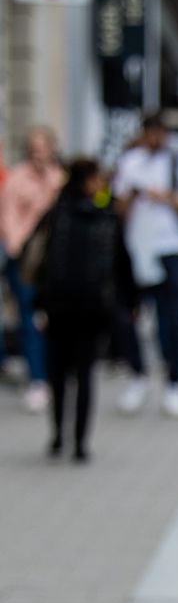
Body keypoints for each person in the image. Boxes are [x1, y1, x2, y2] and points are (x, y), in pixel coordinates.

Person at [112, 113, 178, 417]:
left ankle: (174, 383)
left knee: (172, 320)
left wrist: (166, 197)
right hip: (137, 249)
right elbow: (117, 205)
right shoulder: (131, 162)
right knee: (128, 317)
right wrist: (132, 196)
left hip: (173, 249)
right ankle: (138, 376)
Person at [36, 158, 120, 462]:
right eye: (97, 179)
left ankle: (62, 436)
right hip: (88, 307)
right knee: (81, 375)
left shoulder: (58, 214)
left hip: (61, 307)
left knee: (61, 374)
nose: (102, 185)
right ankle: (77, 442)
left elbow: (41, 263)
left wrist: (40, 304)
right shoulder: (104, 216)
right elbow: (119, 264)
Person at [0, 126, 65, 413]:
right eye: (34, 149)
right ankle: (37, 379)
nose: (39, 155)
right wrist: (17, 246)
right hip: (25, 259)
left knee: (51, 320)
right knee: (28, 317)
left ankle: (54, 373)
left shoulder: (59, 180)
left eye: (44, 149)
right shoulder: (17, 179)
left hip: (54, 261)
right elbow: (8, 217)